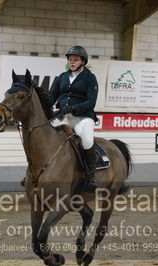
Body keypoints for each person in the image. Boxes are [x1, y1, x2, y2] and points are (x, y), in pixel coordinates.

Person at [50, 45, 98, 192]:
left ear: (82, 61)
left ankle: (90, 177)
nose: (72, 62)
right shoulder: (62, 77)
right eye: (70, 59)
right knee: (46, 137)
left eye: (76, 60)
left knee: (87, 140)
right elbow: (51, 97)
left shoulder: (90, 78)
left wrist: (74, 108)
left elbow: (91, 101)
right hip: (63, 117)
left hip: (82, 117)